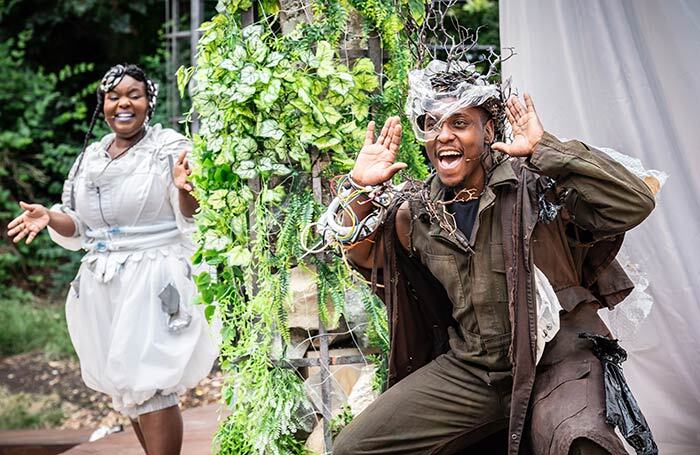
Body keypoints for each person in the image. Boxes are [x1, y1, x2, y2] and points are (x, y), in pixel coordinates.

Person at [327, 60, 658, 454]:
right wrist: (358, 189)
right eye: (432, 124)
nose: (443, 135)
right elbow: (364, 256)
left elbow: (633, 203)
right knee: (354, 448)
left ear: (488, 130)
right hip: (476, 372)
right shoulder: (416, 214)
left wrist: (545, 150)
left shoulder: (535, 186)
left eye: (459, 123)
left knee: (580, 442)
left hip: (557, 360)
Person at [6, 64, 218, 455]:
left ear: (149, 102)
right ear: (103, 104)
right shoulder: (91, 156)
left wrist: (185, 189)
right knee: (128, 390)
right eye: (113, 96)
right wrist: (50, 216)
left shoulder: (167, 148)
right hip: (104, 282)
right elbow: (80, 227)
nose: (123, 103)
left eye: (134, 95)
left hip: (155, 276)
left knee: (149, 380)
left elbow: (190, 217)